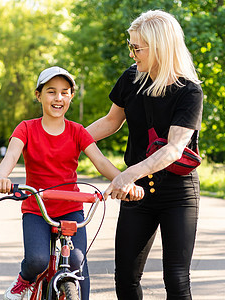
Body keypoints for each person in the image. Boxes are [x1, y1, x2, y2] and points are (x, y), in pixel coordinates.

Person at [0, 66, 144, 300]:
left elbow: (101, 162)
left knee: (77, 260)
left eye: (64, 92)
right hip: (37, 208)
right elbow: (11, 156)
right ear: (39, 95)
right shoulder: (26, 128)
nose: (58, 98)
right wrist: (2, 176)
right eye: (51, 92)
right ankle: (23, 281)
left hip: (71, 209)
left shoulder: (77, 131)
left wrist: (125, 182)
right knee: (37, 260)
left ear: (71, 96)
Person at [86, 10, 203, 299]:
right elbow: (111, 122)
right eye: (131, 46)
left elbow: (174, 149)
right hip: (137, 193)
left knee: (176, 279)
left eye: (137, 47)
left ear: (160, 46)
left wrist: (127, 174)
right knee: (125, 277)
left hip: (178, 193)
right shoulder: (131, 78)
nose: (132, 53)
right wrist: (65, 140)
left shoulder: (189, 92)